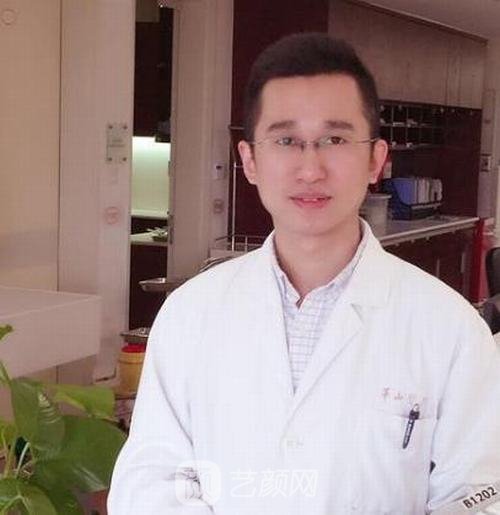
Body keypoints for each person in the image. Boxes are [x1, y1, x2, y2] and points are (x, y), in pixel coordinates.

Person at [108, 33, 500, 514]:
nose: (310, 169)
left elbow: (479, 494)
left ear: (376, 159)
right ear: (250, 160)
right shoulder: (191, 313)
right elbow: (151, 478)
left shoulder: (450, 327)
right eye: (286, 140)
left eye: (335, 139)